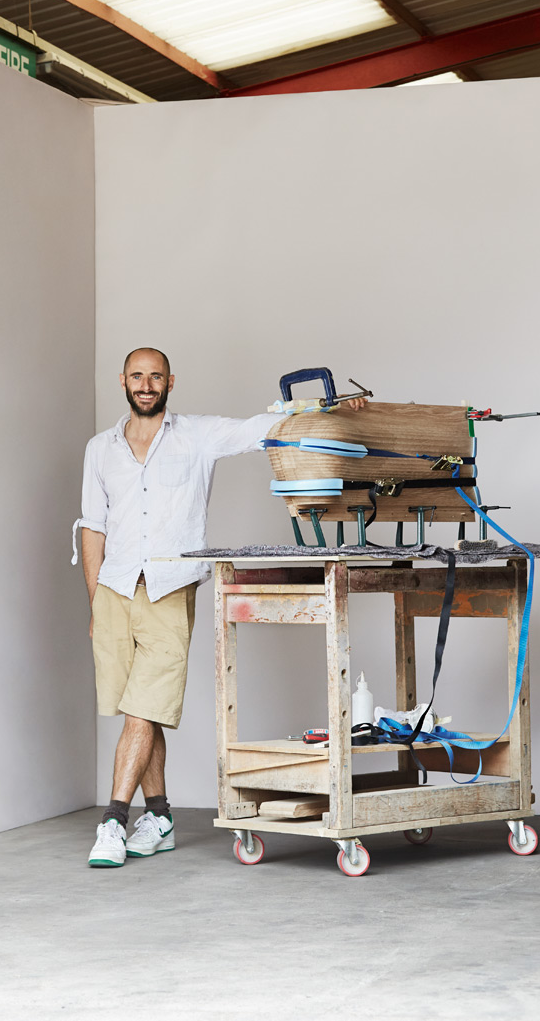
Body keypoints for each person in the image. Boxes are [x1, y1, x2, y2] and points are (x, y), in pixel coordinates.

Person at [72, 347, 366, 868]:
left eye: (155, 376)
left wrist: (326, 409)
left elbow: (261, 429)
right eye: (137, 376)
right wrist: (95, 601)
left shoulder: (198, 435)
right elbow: (92, 528)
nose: (146, 385)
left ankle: (113, 821)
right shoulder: (100, 449)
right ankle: (160, 816)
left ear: (170, 382)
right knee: (143, 711)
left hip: (169, 589)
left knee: (144, 708)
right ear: (123, 381)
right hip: (114, 589)